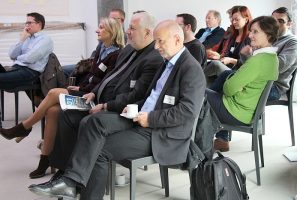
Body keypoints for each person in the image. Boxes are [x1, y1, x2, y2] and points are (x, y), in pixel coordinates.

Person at [28, 19, 206, 200]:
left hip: (162, 134)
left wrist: (150, 118)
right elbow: (152, 97)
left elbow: (186, 112)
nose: (156, 46)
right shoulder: (166, 62)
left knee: (100, 149)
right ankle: (69, 179)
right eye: (156, 41)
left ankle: (75, 186)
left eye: (161, 41)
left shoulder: (191, 69)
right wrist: (134, 108)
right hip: (141, 118)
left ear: (177, 39)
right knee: (93, 121)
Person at [0, 17, 125, 178]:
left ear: (112, 32)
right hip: (85, 91)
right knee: (52, 111)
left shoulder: (117, 55)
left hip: (93, 99)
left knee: (53, 93)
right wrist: (80, 86)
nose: (96, 30)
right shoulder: (101, 47)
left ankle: (25, 127)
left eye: (101, 28)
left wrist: (86, 89)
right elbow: (93, 75)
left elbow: (105, 83)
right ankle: (44, 160)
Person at [210, 16, 279, 152]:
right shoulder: (272, 58)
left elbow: (229, 89)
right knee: (219, 81)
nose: (250, 35)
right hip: (247, 111)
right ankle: (207, 136)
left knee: (197, 95)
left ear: (268, 35)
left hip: (236, 112)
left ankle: (191, 139)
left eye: (255, 32)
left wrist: (232, 82)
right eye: (251, 31)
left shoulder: (258, 60)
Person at [0, 12, 53, 90]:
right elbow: (12, 55)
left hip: (31, 72)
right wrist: (21, 39)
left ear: (39, 24)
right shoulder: (26, 37)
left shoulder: (45, 39)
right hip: (16, 68)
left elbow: (30, 58)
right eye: (26, 23)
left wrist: (17, 58)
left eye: (29, 23)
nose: (26, 25)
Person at [204, 6, 252, 78]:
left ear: (246, 19)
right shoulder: (233, 36)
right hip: (227, 67)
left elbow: (249, 63)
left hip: (238, 72)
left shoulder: (250, 38)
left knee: (215, 64)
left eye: (237, 20)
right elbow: (227, 55)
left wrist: (232, 60)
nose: (234, 22)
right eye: (232, 20)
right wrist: (219, 56)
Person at [268, 7, 297, 100]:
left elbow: (278, 67)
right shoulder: (269, 38)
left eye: (280, 21)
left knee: (234, 90)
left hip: (274, 87)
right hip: (259, 81)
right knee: (226, 77)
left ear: (289, 24)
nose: (275, 24)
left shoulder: (294, 42)